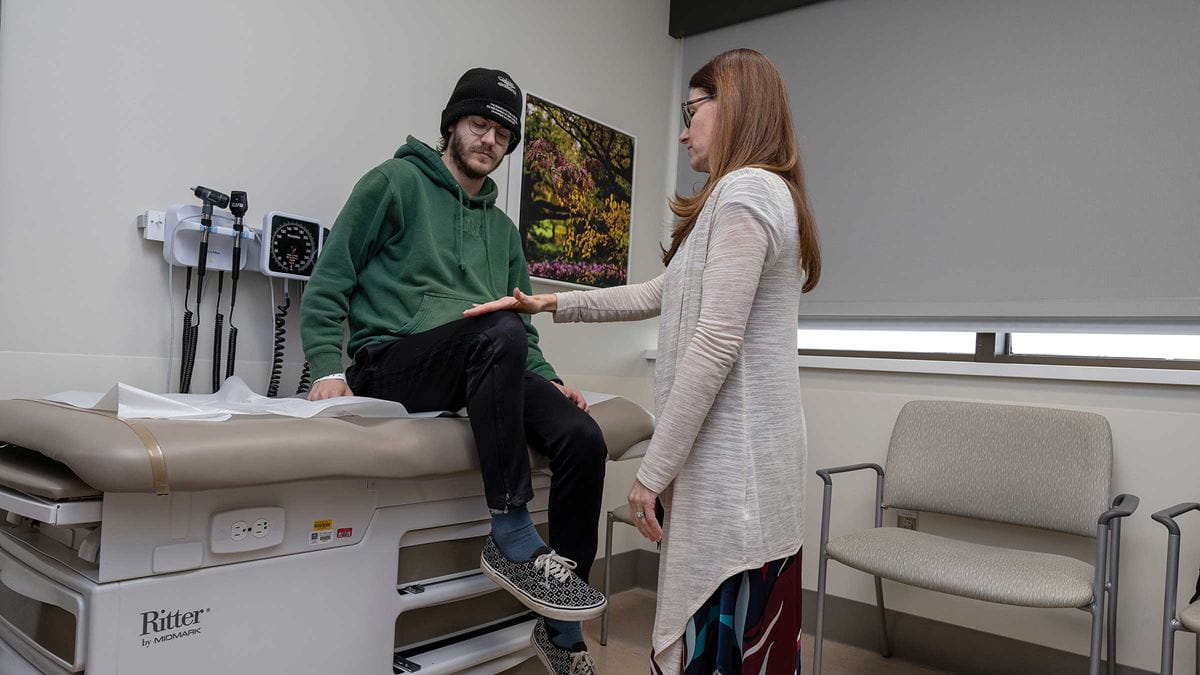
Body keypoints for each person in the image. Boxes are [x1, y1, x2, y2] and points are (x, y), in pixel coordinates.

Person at [465, 48, 820, 673]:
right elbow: (660, 294)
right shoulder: (739, 198)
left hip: (737, 467)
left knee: (720, 627)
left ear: (733, 106)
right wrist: (548, 303)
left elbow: (714, 345)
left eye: (692, 112)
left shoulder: (746, 193)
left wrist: (651, 475)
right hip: (745, 462)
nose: (683, 129)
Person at [301, 67, 606, 673]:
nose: (489, 140)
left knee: (582, 439)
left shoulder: (503, 229)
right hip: (392, 360)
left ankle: (559, 628)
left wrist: (544, 377)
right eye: (478, 124)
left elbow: (523, 321)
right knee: (497, 329)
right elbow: (328, 283)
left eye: (503, 134)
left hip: (479, 356)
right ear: (451, 126)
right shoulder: (391, 183)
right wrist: (327, 367)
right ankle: (511, 532)